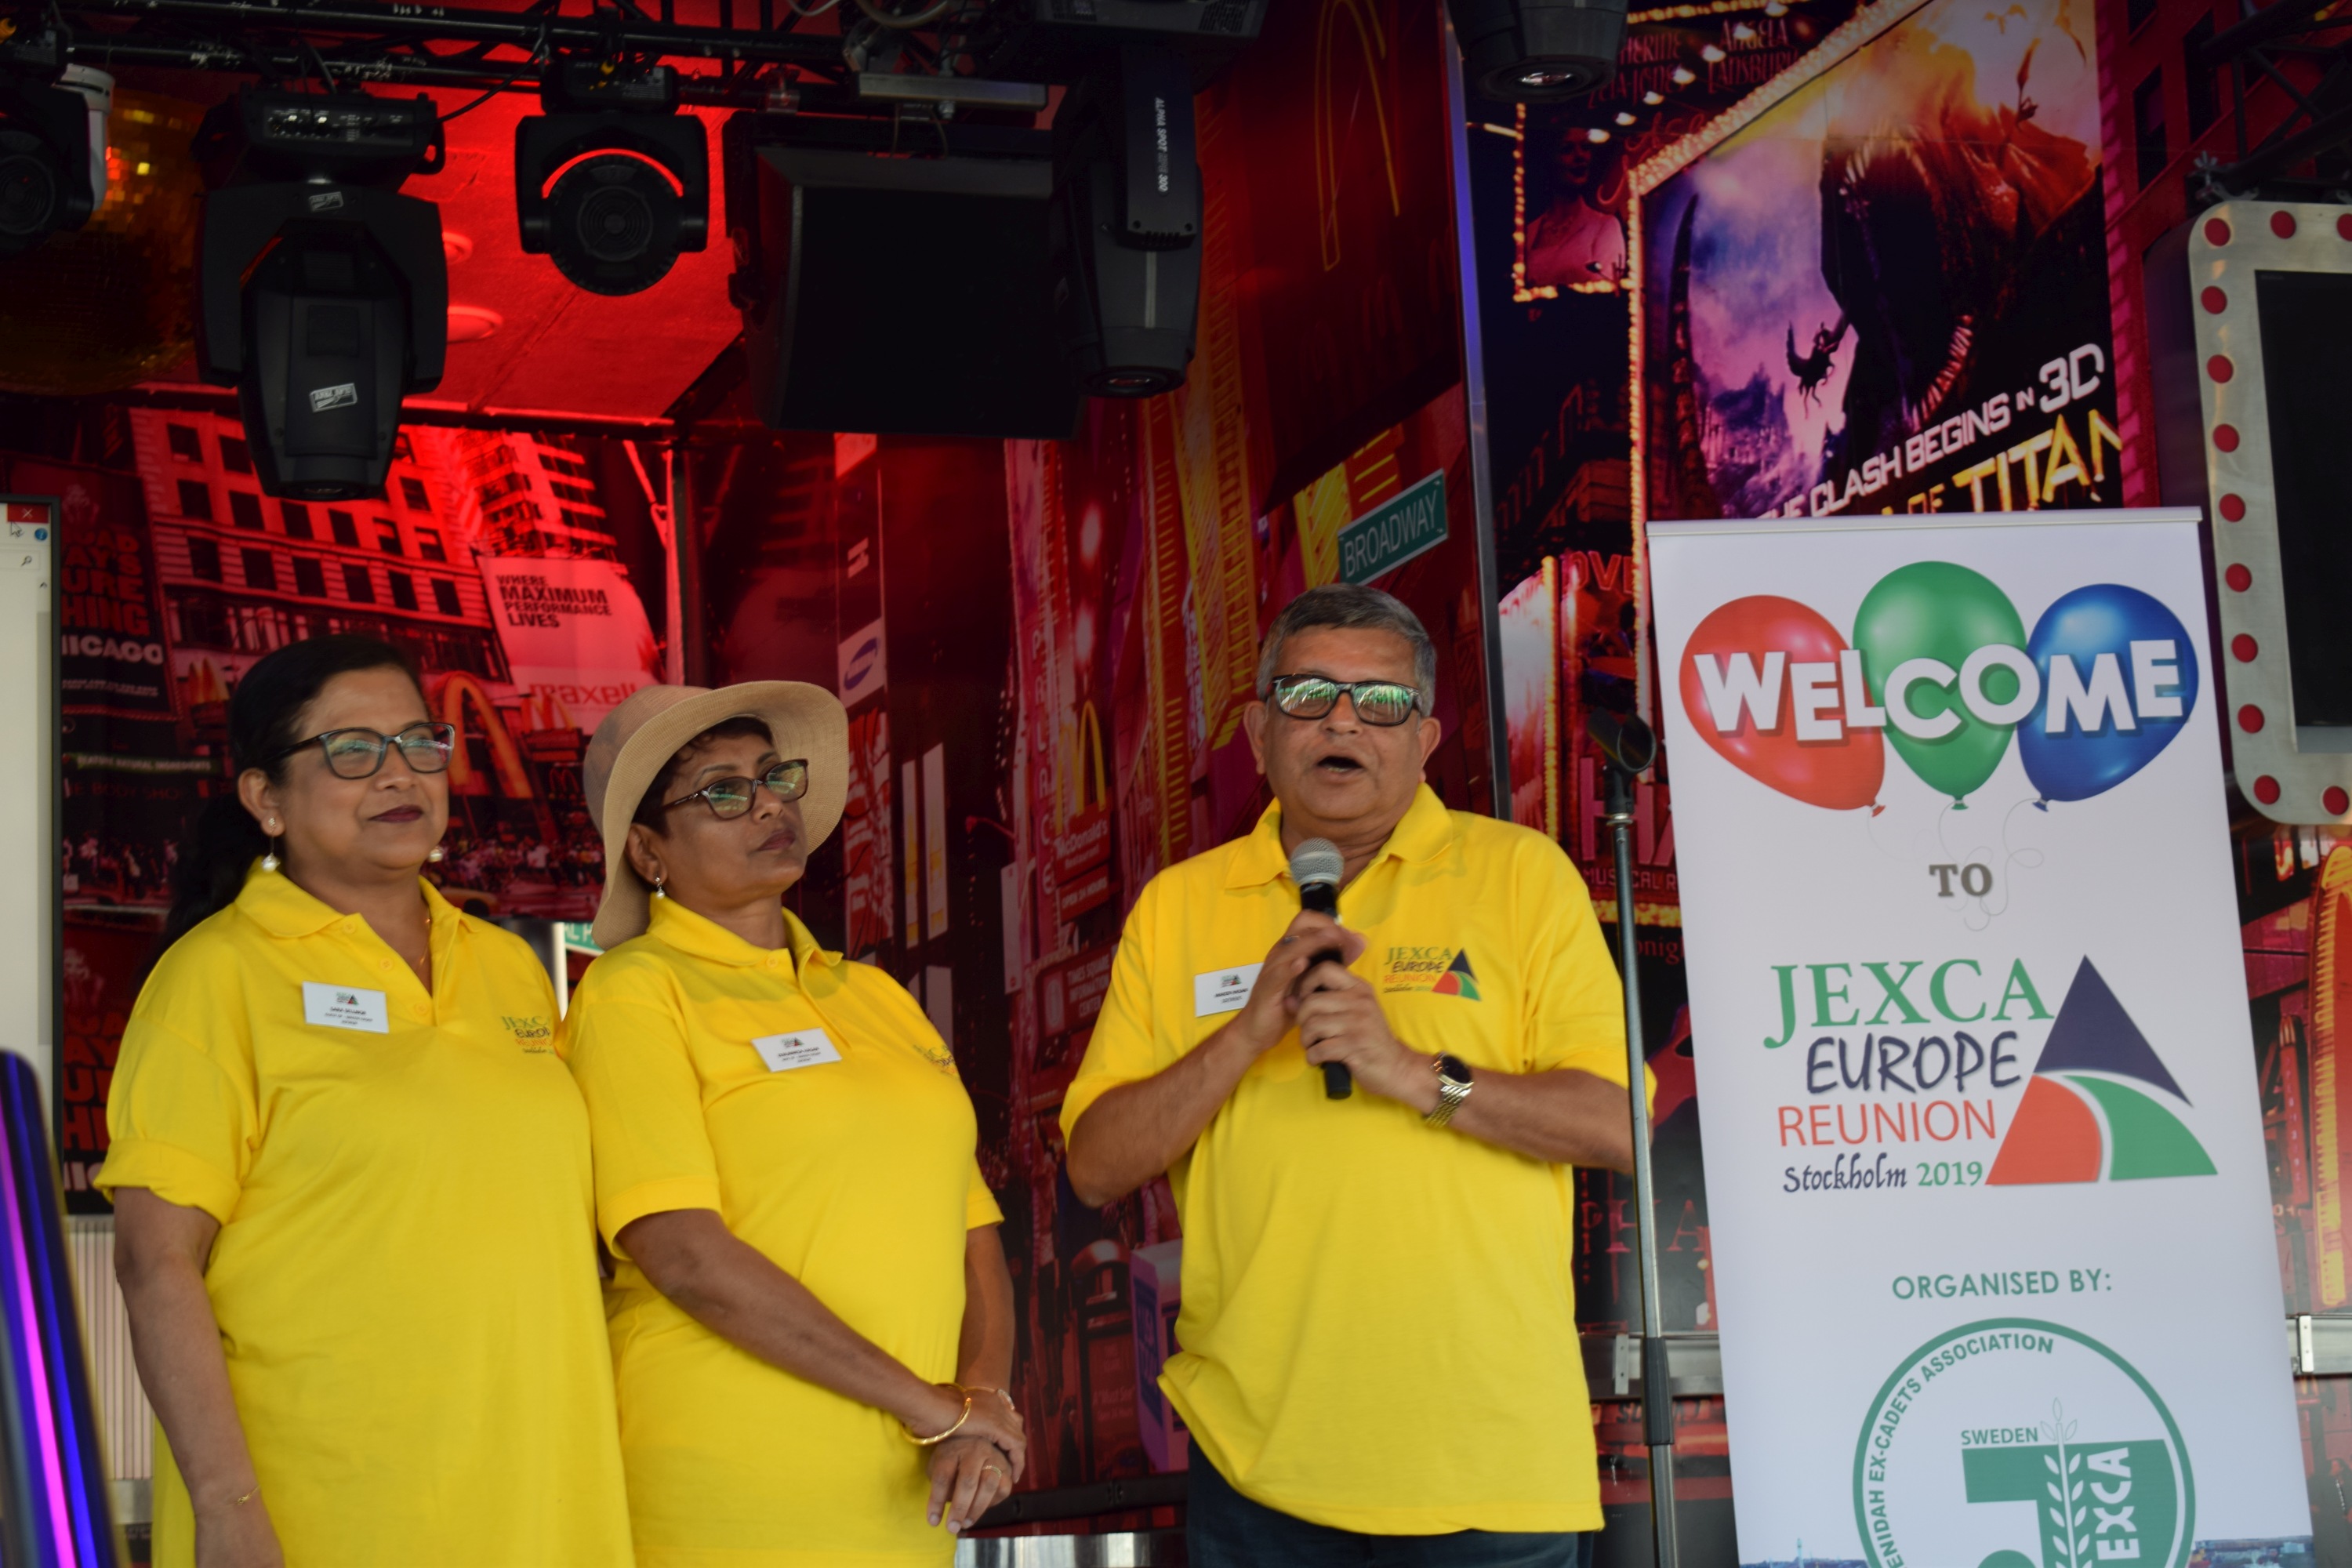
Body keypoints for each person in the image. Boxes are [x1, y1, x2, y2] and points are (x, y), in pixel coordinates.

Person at [1063, 583, 1646, 1566]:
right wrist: (1246, 1033)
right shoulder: (1178, 907)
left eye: (1380, 701)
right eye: (1309, 695)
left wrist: (1417, 1073)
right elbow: (1093, 1165)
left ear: (1424, 737)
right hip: (1260, 1469)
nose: (1343, 722)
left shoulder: (1521, 874)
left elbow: (1617, 1126)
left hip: (1487, 1463)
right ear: (1260, 731)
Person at [99, 634, 632, 1568]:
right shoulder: (217, 975)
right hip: (328, 1502)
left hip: (540, 1489)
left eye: (419, 742)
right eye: (352, 749)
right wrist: (226, 1505)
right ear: (266, 797)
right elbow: (156, 1263)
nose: (399, 773)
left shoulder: (506, 965)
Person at [565, 683, 1024, 1568]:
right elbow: (681, 1253)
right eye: (723, 790)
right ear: (648, 850)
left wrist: (981, 1404)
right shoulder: (635, 992)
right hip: (731, 1488)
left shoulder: (876, 995)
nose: (769, 804)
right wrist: (930, 1407)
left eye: (774, 776)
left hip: (912, 1492)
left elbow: (973, 1236)